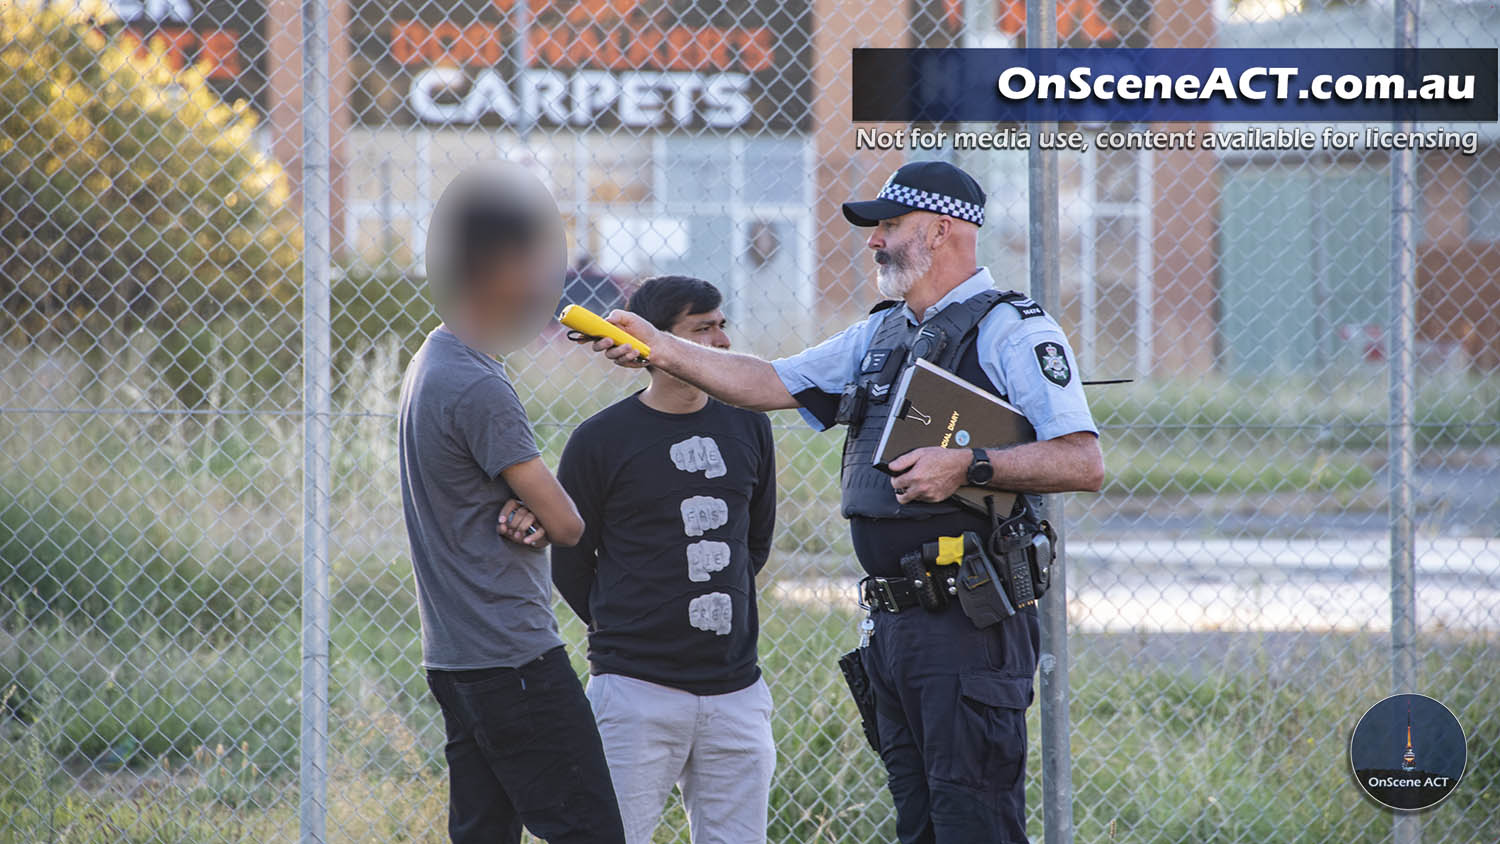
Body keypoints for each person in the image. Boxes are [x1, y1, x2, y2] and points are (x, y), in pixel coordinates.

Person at [576, 160, 1104, 844]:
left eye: (889, 225)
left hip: (970, 624)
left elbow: (1082, 460)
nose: (873, 241)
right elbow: (766, 381)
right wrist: (660, 349)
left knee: (975, 822)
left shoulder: (1013, 330)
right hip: (896, 628)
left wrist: (968, 464)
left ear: (943, 230)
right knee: (919, 823)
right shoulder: (883, 334)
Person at [398, 176, 626, 844]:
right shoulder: (476, 383)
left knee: (484, 833)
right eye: (533, 262)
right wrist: (542, 506)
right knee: (592, 831)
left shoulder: (433, 359)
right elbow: (569, 526)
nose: (544, 280)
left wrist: (528, 502)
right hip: (514, 660)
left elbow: (514, 500)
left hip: (457, 659)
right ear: (496, 270)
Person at [553, 275, 778, 844]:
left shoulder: (749, 423)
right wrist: (626, 626)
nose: (722, 341)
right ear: (655, 342)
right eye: (702, 329)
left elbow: (754, 543)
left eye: (722, 325)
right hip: (635, 690)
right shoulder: (600, 440)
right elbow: (571, 560)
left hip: (736, 692)